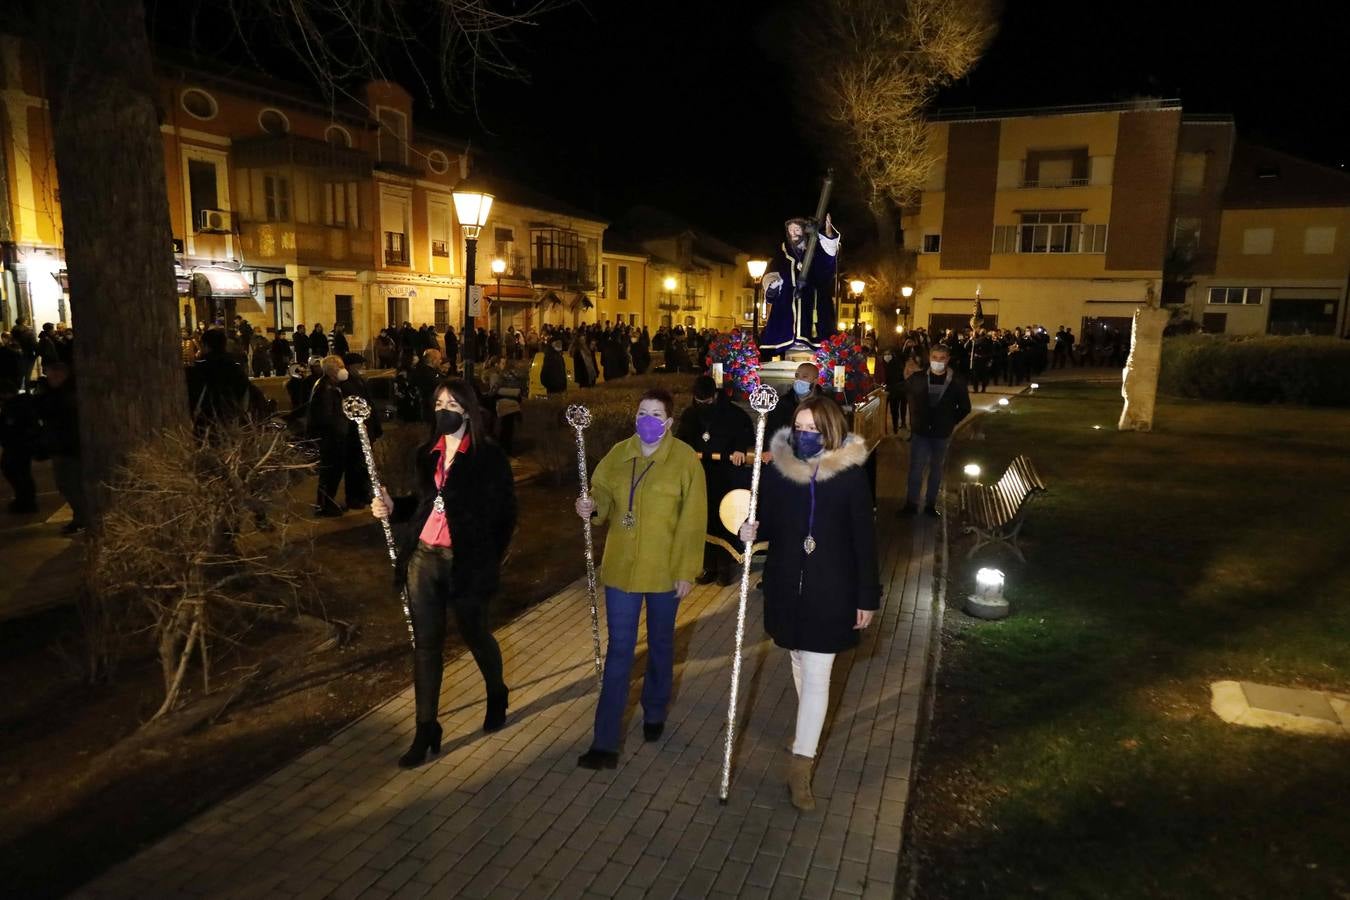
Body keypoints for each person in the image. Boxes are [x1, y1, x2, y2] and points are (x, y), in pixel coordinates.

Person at [737, 395, 880, 811]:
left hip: (832, 591)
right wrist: (749, 528)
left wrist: (866, 596)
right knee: (798, 659)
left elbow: (864, 542)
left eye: (813, 430)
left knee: (818, 673)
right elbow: (764, 519)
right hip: (786, 587)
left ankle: (801, 767)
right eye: (799, 428)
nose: (804, 436)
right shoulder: (783, 474)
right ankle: (807, 729)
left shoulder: (850, 476)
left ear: (830, 431)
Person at [371, 378, 517, 768]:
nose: (443, 409)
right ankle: (426, 728)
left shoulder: (488, 457)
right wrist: (391, 506)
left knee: (475, 633)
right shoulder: (427, 453)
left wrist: (488, 559)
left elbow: (505, 516)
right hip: (424, 558)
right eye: (438, 402)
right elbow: (422, 504)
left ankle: (497, 691)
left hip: (466, 563)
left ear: (468, 410)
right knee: (426, 645)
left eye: (451, 403)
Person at [573, 388, 706, 769]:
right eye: (642, 413)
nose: (648, 420)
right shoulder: (618, 454)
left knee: (662, 646)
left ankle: (654, 711)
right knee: (619, 652)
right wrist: (591, 504)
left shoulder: (684, 461)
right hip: (622, 571)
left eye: (656, 414)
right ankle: (605, 741)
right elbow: (600, 494)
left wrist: (686, 571)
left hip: (665, 572)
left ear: (668, 421)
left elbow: (693, 521)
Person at [676, 375, 753, 586]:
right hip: (700, 473)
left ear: (715, 396)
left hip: (725, 474)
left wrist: (739, 449)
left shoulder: (733, 413)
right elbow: (682, 438)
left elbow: (745, 433)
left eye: (707, 403)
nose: (703, 406)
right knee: (703, 518)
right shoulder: (691, 414)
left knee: (724, 518)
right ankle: (708, 565)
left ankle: (725, 566)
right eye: (699, 403)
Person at [901, 345, 971, 518]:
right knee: (916, 468)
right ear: (929, 358)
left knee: (936, 469)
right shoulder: (918, 378)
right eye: (934, 357)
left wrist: (950, 422)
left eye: (941, 358)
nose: (937, 361)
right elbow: (900, 389)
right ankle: (911, 504)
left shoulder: (956, 381)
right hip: (921, 432)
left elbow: (965, 407)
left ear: (947, 360)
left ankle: (930, 505)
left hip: (941, 434)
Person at [759, 214, 841, 358]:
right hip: (788, 305)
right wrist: (772, 285)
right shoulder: (782, 254)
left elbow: (827, 263)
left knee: (814, 333)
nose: (793, 234)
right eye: (790, 230)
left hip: (813, 302)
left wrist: (828, 235)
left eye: (797, 230)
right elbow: (771, 273)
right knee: (787, 334)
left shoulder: (815, 251)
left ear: (804, 231)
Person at [34, 362, 87, 534]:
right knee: (65, 484)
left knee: (71, 484)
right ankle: (80, 517)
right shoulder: (59, 393)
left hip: (68, 447)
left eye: (51, 376)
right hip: (62, 447)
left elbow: (54, 413)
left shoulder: (66, 395)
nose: (49, 379)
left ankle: (82, 519)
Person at [307, 355, 351, 517]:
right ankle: (324, 505)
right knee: (329, 473)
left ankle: (327, 502)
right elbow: (327, 417)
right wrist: (340, 430)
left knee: (333, 472)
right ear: (332, 370)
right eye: (340, 366)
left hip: (333, 437)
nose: (343, 369)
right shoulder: (325, 388)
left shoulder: (331, 385)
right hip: (330, 438)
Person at [0, 377, 39, 513]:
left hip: (18, 445)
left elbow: (13, 426)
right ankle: (24, 500)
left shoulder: (16, 405)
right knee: (17, 472)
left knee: (18, 473)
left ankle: (26, 501)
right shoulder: (15, 404)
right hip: (17, 444)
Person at [767, 362, 824, 437]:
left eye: (804, 376)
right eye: (797, 376)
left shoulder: (825, 405)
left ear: (815, 381)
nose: (799, 380)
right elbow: (771, 434)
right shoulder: (781, 404)